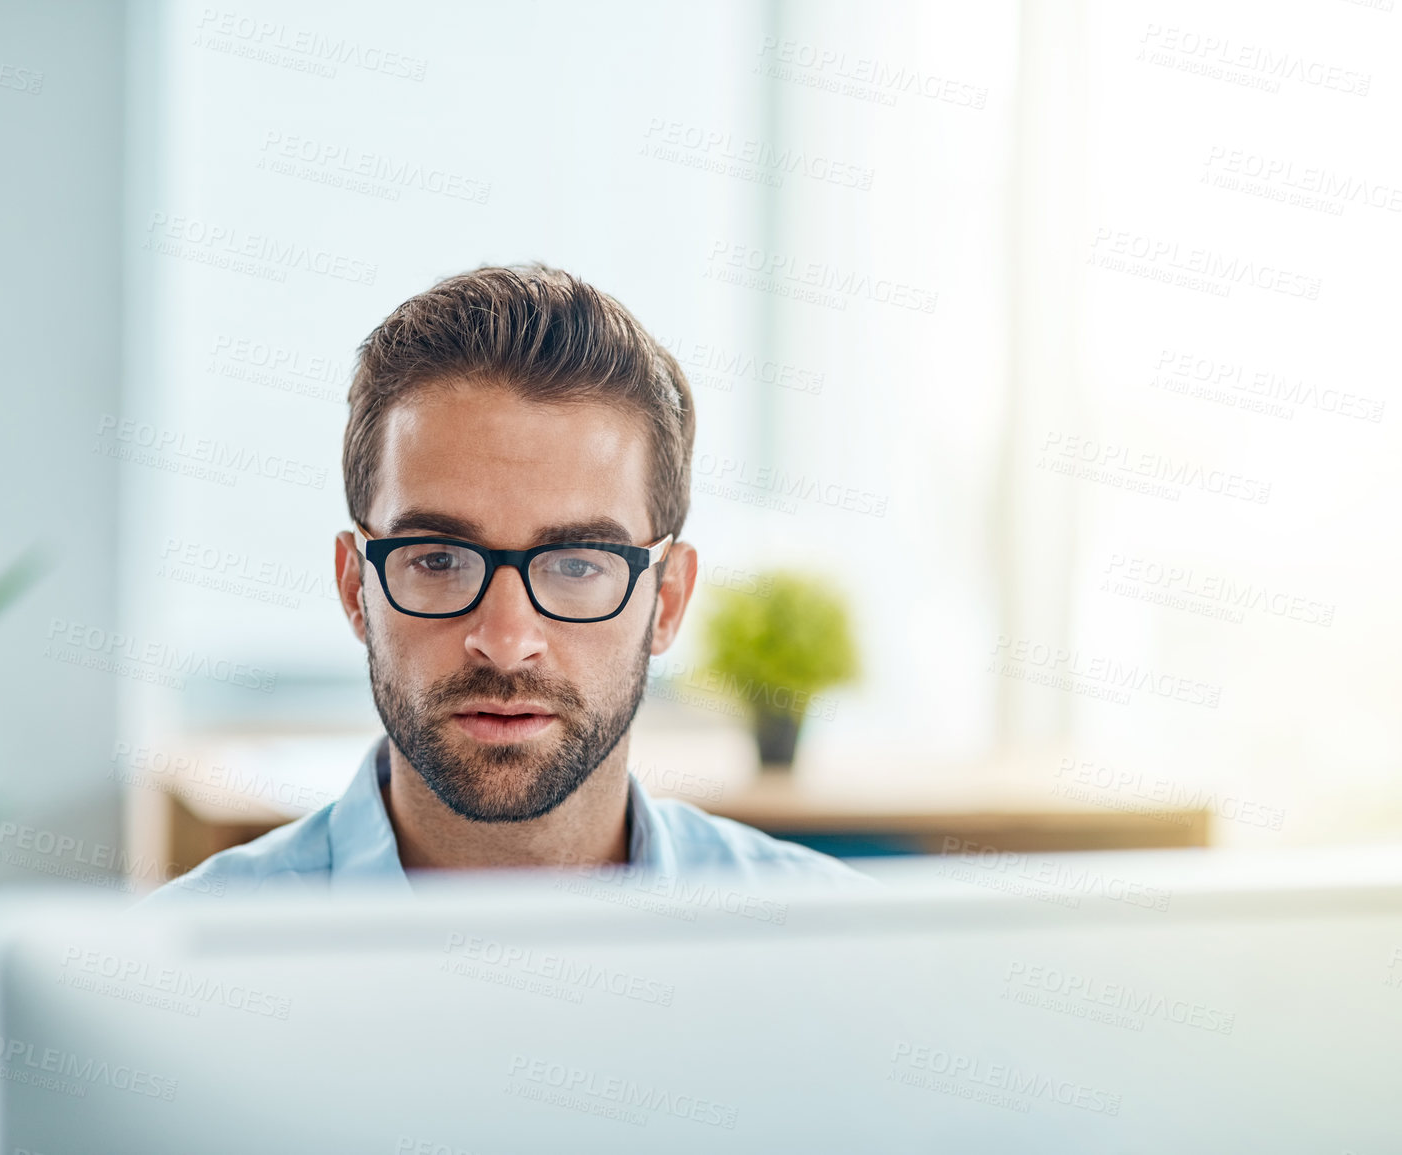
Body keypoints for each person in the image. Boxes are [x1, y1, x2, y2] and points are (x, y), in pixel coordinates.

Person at [149, 264, 867, 901]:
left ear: (668, 600)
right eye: (437, 558)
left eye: (579, 564)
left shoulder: (831, 943)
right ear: (354, 587)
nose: (504, 641)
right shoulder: (182, 962)